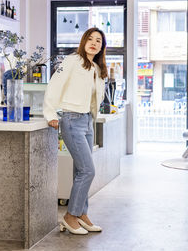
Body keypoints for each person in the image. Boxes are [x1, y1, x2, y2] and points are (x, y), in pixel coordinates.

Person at [43, 27, 108, 235]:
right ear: (83, 41)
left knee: (81, 171)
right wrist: (51, 113)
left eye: (98, 41)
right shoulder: (72, 61)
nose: (94, 43)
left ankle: (81, 214)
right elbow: (54, 85)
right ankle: (70, 215)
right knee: (88, 170)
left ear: (101, 47)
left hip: (87, 121)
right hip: (71, 119)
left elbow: (95, 98)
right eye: (90, 39)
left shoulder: (97, 69)